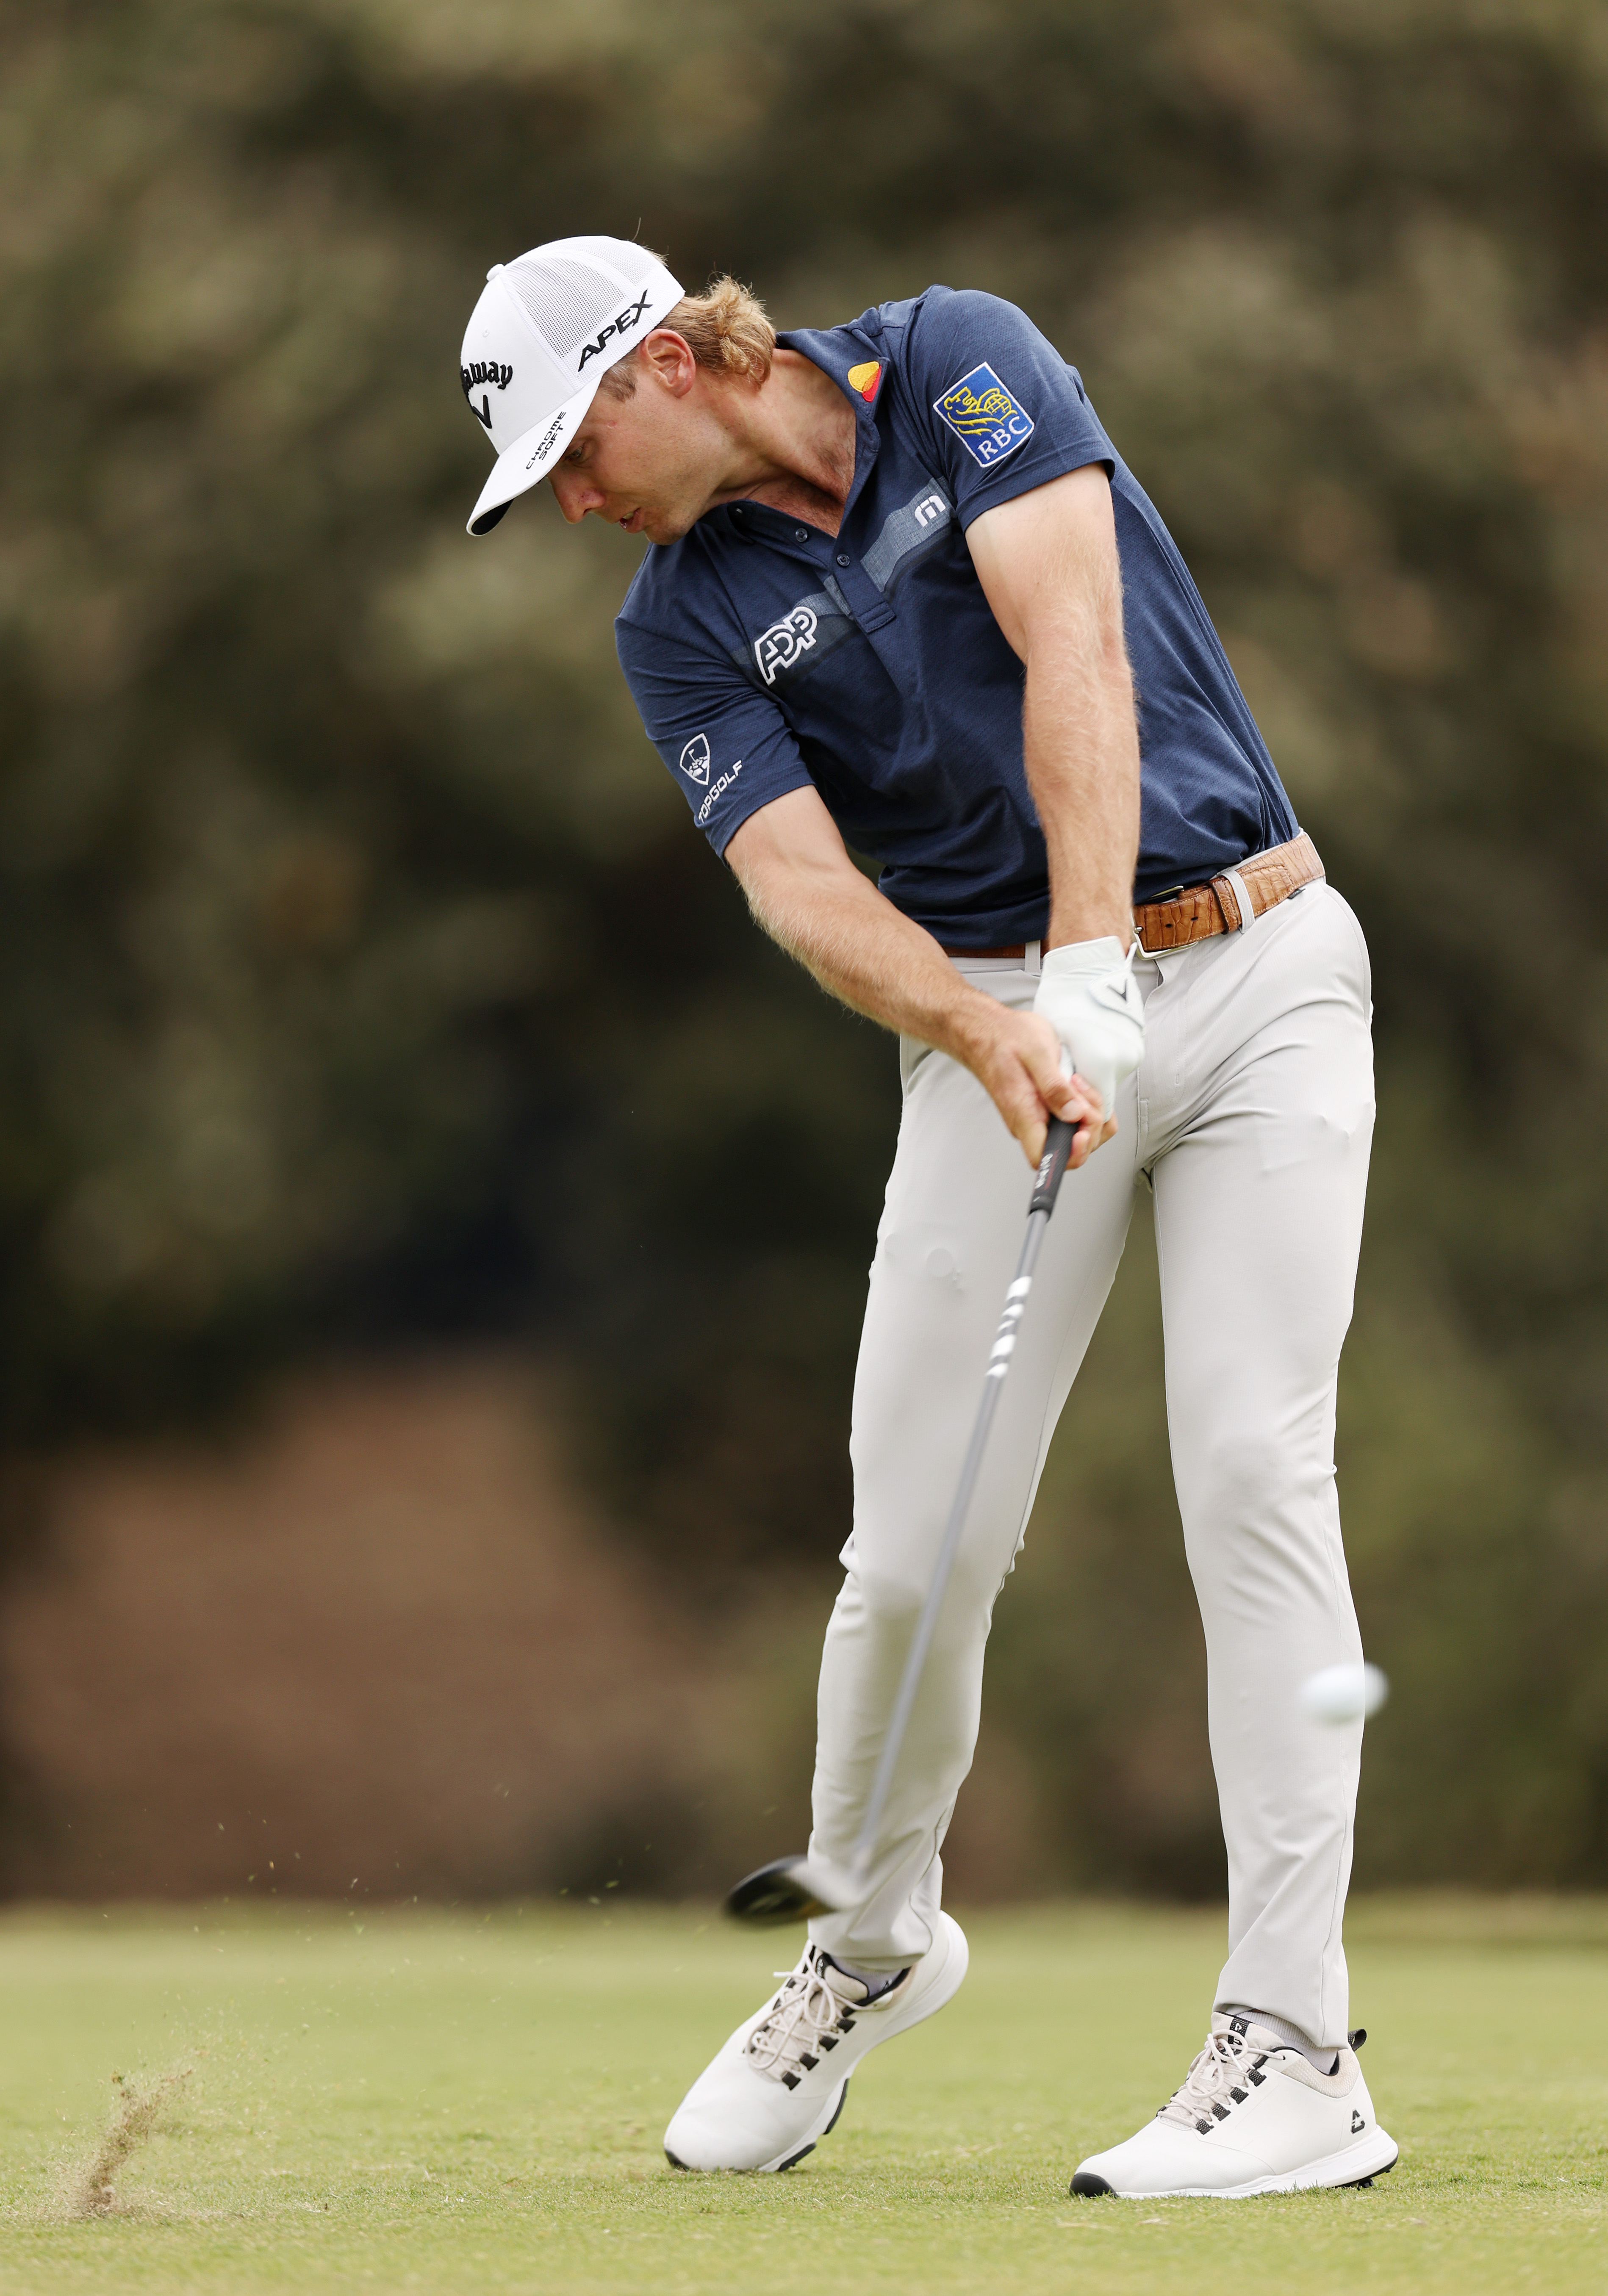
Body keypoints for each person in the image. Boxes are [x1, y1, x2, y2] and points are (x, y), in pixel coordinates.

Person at [459, 236, 1396, 2199]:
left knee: (1253, 1478)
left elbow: (1077, 643)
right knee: (914, 1549)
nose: (569, 497)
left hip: (1259, 967)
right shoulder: (676, 623)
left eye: (570, 444)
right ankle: (869, 1942)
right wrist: (995, 1025)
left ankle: (1297, 2048)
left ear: (659, 364)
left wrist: (1089, 971)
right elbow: (799, 886)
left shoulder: (960, 362)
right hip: (997, 1032)